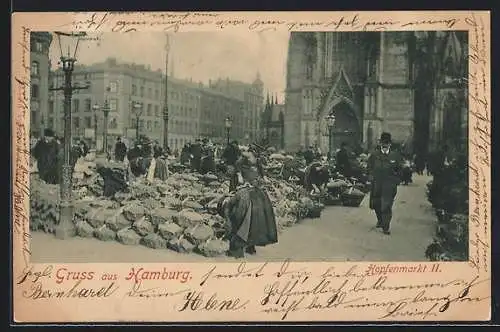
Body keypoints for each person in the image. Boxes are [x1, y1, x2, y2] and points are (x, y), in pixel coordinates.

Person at [218, 148, 277, 258]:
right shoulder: (240, 162)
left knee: (257, 217)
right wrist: (242, 180)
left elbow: (262, 174)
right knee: (242, 216)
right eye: (250, 155)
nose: (251, 157)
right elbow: (238, 178)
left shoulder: (257, 162)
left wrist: (264, 179)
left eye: (253, 155)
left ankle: (251, 244)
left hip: (256, 191)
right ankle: (237, 246)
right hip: (244, 191)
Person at [367, 132, 403, 235]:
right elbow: (369, 167)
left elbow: (400, 170)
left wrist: (396, 181)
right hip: (377, 183)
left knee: (386, 205)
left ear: (390, 144)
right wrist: (370, 177)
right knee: (376, 204)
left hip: (389, 184)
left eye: (387, 143)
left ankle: (386, 226)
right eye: (383, 142)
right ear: (380, 143)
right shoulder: (374, 155)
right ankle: (381, 220)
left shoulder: (395, 156)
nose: (385, 145)